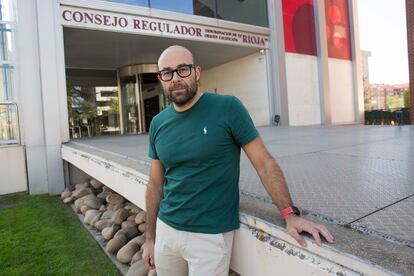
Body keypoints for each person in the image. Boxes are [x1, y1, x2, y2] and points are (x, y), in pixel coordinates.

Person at [143, 45, 334, 276]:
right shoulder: (158, 123)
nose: (175, 78)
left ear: (197, 72)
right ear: (161, 79)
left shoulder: (227, 108)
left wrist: (289, 214)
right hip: (166, 231)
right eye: (167, 73)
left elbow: (263, 162)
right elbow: (155, 183)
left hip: (210, 237)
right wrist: (150, 238)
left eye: (182, 69)